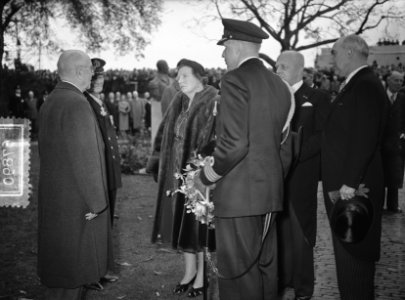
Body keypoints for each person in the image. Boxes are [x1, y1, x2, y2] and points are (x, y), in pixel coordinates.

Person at [197, 19, 293, 300]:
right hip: (269, 194)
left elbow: (235, 143)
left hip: (239, 197)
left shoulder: (234, 79)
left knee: (239, 277)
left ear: (236, 47)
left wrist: (206, 176)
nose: (223, 55)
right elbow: (282, 143)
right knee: (264, 270)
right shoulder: (278, 84)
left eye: (225, 48)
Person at [37, 50, 111, 300]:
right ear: (79, 71)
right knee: (73, 276)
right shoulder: (77, 103)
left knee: (61, 275)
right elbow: (86, 158)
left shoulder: (53, 100)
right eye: (91, 68)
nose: (93, 73)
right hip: (77, 203)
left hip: (58, 199)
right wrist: (98, 203)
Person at [321, 35, 389, 299]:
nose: (332, 59)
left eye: (335, 53)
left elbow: (364, 136)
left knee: (355, 261)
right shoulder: (357, 84)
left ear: (349, 52)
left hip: (354, 191)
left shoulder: (366, 85)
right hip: (348, 188)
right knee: (348, 260)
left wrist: (349, 182)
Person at [146, 59, 219, 298]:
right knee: (182, 224)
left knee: (197, 226)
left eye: (185, 75)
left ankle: (201, 278)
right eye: (178, 75)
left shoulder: (213, 100)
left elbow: (217, 141)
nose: (179, 80)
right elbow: (164, 132)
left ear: (200, 76)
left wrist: (202, 172)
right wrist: (157, 162)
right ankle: (189, 272)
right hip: (175, 171)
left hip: (198, 176)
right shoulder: (179, 99)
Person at [276, 50, 330, 300]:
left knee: (301, 234)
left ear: (300, 69)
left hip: (301, 176)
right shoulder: (273, 97)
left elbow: (322, 136)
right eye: (277, 66)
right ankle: (282, 279)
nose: (278, 71)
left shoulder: (317, 97)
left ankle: (304, 288)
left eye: (283, 67)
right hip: (275, 176)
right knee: (279, 232)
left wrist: (294, 155)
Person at [83, 57, 121, 289]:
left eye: (102, 76)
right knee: (95, 222)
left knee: (106, 222)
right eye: (95, 76)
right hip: (99, 170)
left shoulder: (99, 101)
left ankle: (102, 268)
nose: (99, 81)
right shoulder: (85, 102)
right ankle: (92, 272)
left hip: (109, 169)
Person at [382, 70, 405, 213]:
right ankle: (378, 204)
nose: (399, 83)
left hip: (397, 143)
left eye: (401, 81)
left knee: (395, 175)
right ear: (388, 80)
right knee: (379, 175)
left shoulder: (403, 98)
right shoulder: (379, 97)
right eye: (396, 80)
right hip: (380, 143)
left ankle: (393, 205)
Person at [148, 59, 175, 142]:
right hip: (160, 109)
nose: (168, 67)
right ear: (162, 67)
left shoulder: (173, 81)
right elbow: (157, 97)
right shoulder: (153, 83)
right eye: (166, 66)